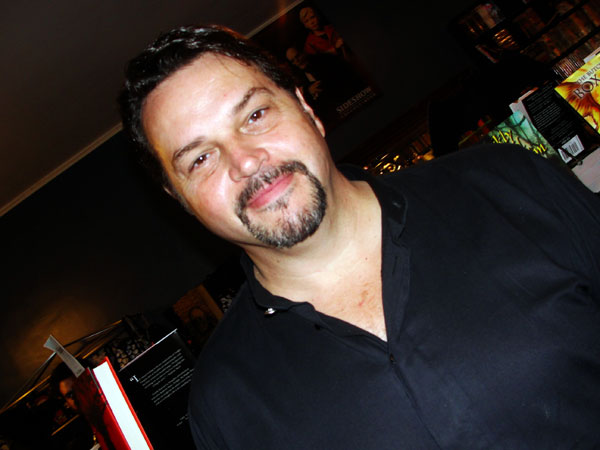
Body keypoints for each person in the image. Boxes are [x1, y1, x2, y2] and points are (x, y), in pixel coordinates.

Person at [118, 25, 600, 449]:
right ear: (180, 199)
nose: (245, 161)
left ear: (307, 109)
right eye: (200, 158)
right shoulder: (224, 403)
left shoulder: (510, 185)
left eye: (255, 115)